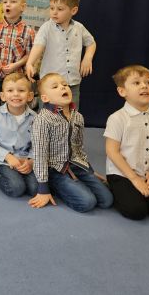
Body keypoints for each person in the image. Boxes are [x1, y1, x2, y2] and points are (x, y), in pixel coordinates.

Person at [29, 73, 113, 212]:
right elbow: (39, 154)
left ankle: (75, 183)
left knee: (107, 200)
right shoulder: (42, 119)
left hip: (75, 164)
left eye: (65, 84)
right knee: (87, 202)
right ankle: (55, 186)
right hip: (55, 170)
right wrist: (43, 188)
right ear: (45, 98)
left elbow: (79, 147)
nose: (63, 87)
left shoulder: (78, 117)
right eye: (55, 87)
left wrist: (89, 170)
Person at [104, 65, 149, 221]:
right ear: (122, 91)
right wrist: (134, 179)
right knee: (136, 211)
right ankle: (114, 189)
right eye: (136, 83)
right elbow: (112, 151)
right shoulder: (117, 118)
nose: (144, 86)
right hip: (123, 174)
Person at [25, 0, 95, 110]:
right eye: (52, 8)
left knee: (72, 113)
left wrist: (87, 58)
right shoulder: (46, 27)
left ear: (73, 10)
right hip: (49, 84)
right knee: (47, 113)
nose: (54, 12)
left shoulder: (79, 28)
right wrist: (30, 62)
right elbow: (38, 45)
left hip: (72, 83)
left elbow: (91, 43)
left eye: (60, 9)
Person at [0, 73, 38, 198]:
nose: (16, 94)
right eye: (10, 90)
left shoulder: (35, 118)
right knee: (17, 188)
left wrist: (31, 161)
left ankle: (21, 174)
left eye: (21, 90)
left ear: (30, 96)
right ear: (2, 96)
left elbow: (38, 144)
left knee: (36, 189)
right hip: (3, 161)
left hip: (25, 160)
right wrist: (7, 157)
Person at [0, 0, 35, 111]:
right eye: (5, 2)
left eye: (13, 2)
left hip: (16, 77)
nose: (8, 5)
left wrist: (16, 65)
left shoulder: (28, 31)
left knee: (13, 106)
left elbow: (29, 54)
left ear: (22, 7)